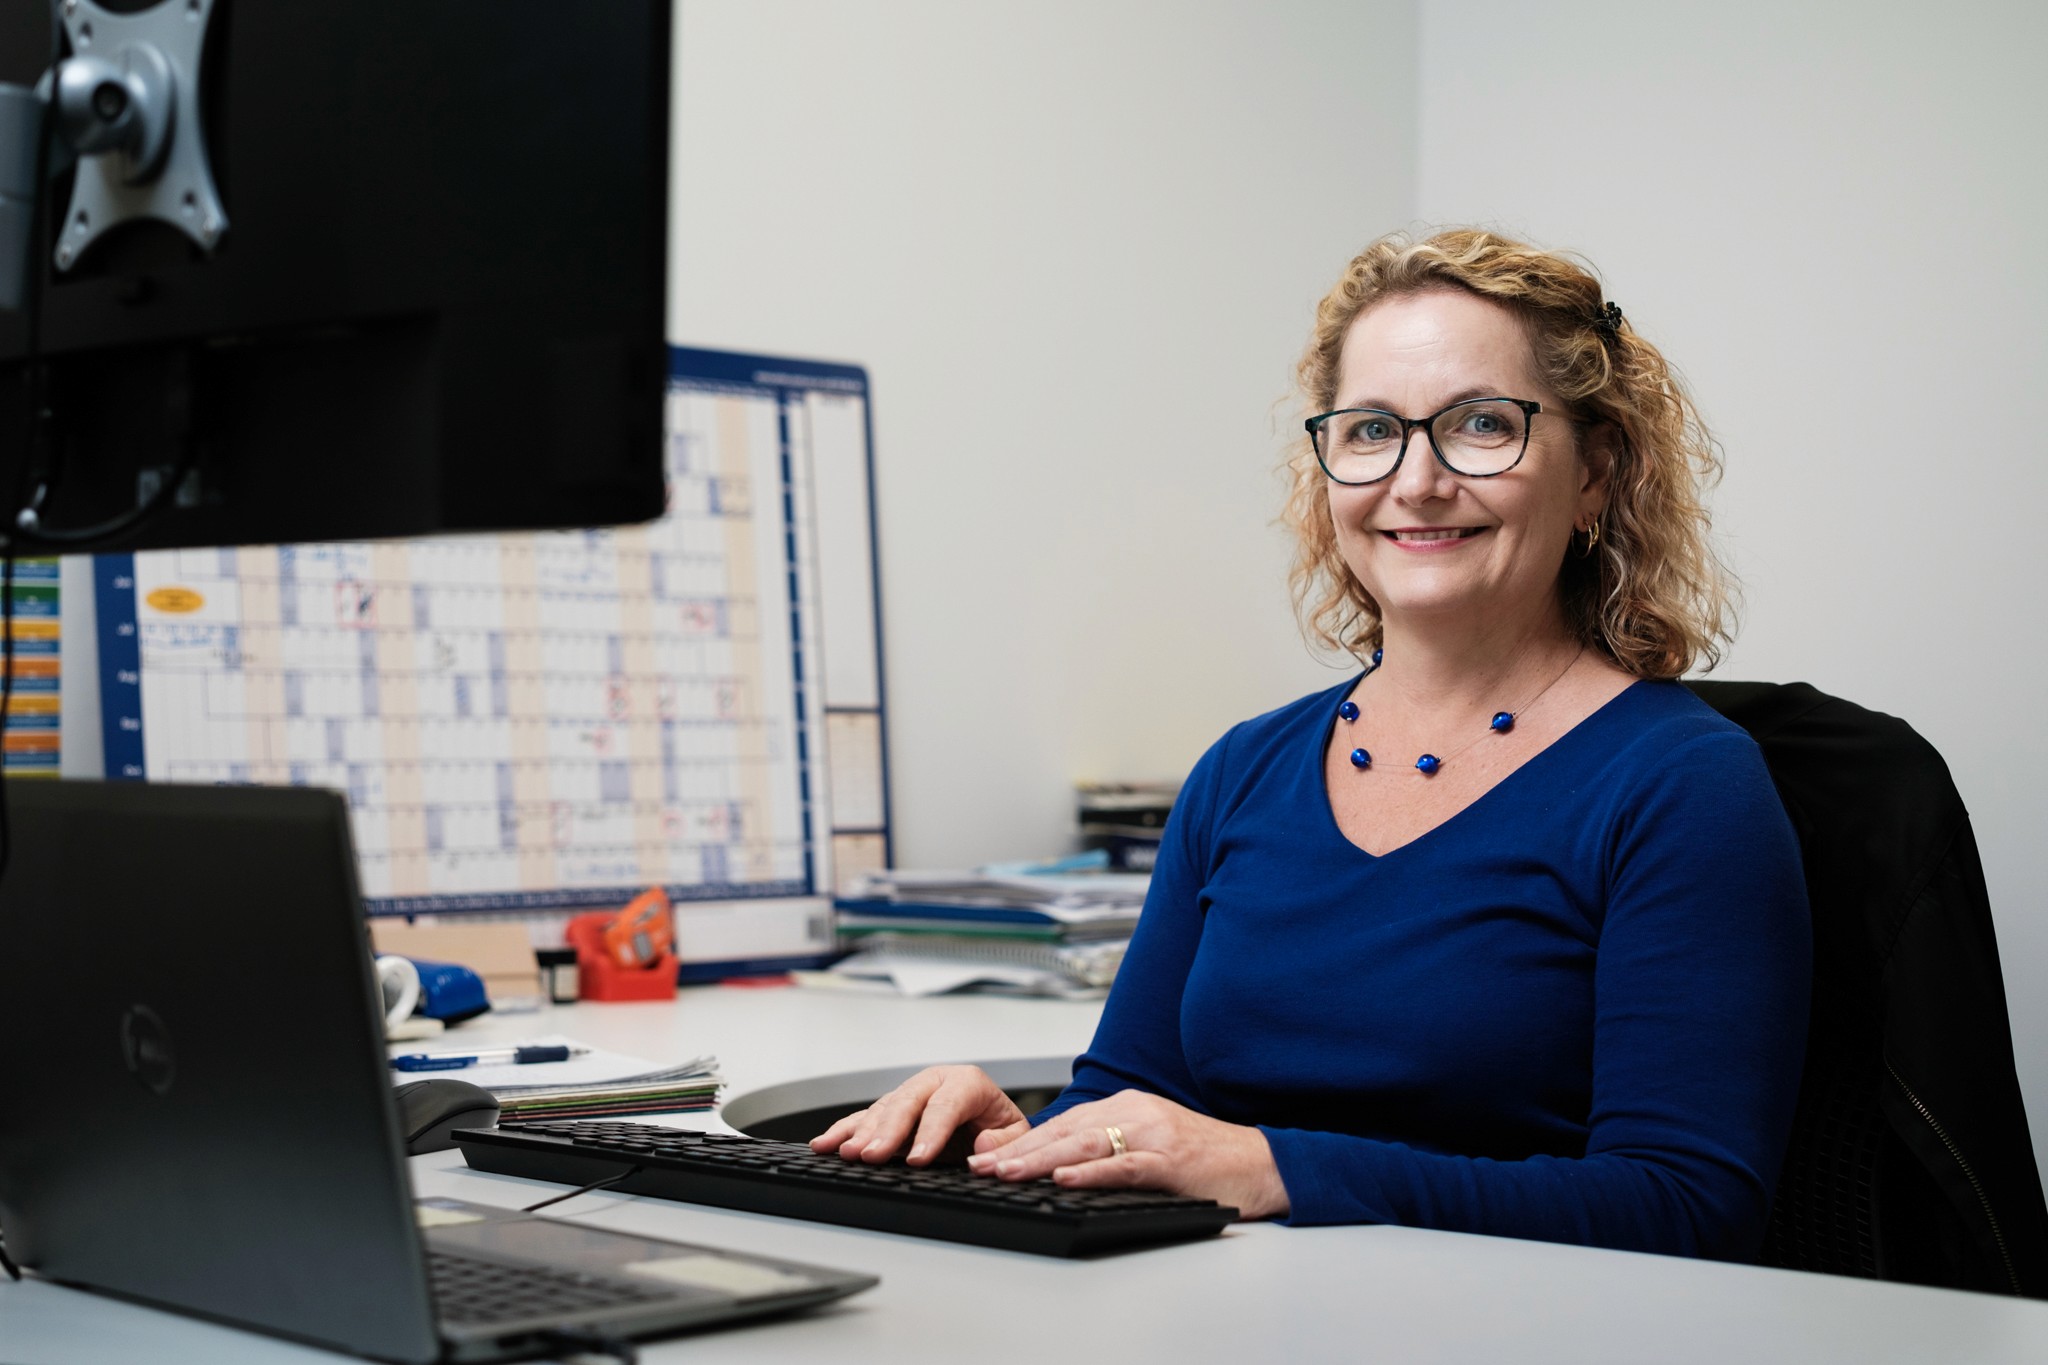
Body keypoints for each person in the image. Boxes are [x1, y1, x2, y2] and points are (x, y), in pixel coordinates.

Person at [812, 229, 1812, 1260]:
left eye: (1478, 425)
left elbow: (1686, 1209)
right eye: (1371, 431)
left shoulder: (1681, 785)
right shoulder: (1242, 772)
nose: (1414, 481)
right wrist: (1026, 1145)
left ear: (1594, 472)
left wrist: (1273, 1169)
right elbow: (1132, 1104)